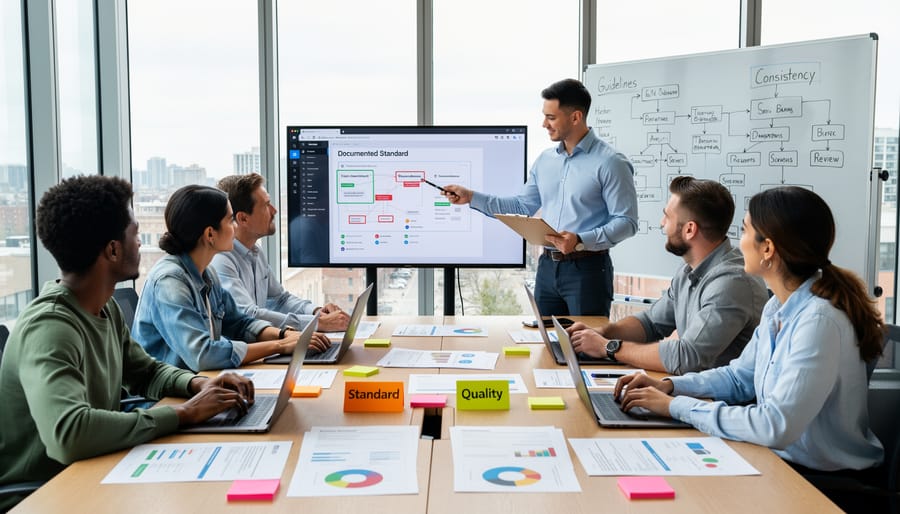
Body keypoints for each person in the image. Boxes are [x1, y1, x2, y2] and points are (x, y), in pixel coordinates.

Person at [0, 176, 256, 511]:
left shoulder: (102, 306)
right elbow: (70, 433)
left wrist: (197, 384)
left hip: (96, 474)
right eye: (136, 234)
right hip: (45, 496)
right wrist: (182, 414)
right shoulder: (50, 328)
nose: (143, 244)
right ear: (113, 249)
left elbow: (145, 371)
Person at [615, 186, 884, 473]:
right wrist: (670, 386)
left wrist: (674, 406)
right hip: (780, 461)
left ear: (767, 248)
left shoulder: (818, 321)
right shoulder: (778, 307)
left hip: (821, 482)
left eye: (743, 231)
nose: (737, 242)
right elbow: (739, 377)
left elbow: (775, 426)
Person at [442, 78, 638, 316]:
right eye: (545, 116)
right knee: (544, 345)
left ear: (576, 117)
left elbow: (627, 222)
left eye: (551, 117)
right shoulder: (545, 161)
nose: (544, 124)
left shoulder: (610, 162)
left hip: (588, 271)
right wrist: (471, 197)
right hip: (547, 269)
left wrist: (579, 239)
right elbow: (521, 206)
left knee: (584, 348)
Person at [566, 176, 768, 374]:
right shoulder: (689, 269)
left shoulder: (731, 283)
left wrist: (608, 348)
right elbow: (651, 323)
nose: (662, 223)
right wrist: (604, 333)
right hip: (692, 391)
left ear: (690, 229)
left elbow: (687, 357)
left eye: (667, 216)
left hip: (718, 402)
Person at [132, 185, 329, 372]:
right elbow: (202, 354)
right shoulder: (170, 282)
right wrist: (279, 345)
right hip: (165, 399)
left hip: (203, 386)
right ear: (210, 234)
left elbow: (240, 323)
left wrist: (286, 334)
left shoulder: (207, 274)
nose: (235, 227)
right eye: (230, 220)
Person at [211, 173, 349, 334]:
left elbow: (279, 299)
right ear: (243, 219)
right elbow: (248, 314)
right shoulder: (221, 259)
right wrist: (317, 323)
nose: (274, 210)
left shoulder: (255, 251)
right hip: (245, 354)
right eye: (266, 205)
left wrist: (316, 311)